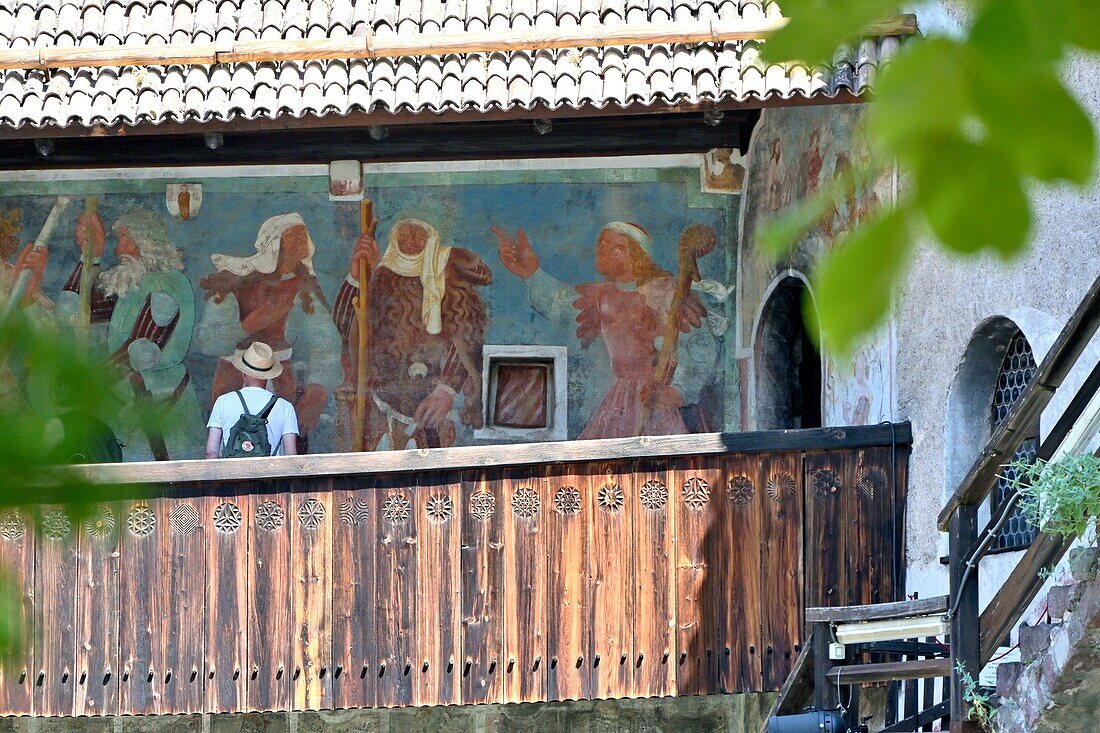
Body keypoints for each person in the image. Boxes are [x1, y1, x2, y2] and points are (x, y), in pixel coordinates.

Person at [494, 221, 722, 439]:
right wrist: (531, 273)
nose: (601, 248)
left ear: (634, 253)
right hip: (620, 397)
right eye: (601, 243)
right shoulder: (602, 296)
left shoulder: (666, 291)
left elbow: (697, 347)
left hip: (655, 395)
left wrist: (675, 393)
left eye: (612, 244)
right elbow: (564, 305)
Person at [17, 206, 203, 460]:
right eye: (118, 241)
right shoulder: (131, 284)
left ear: (148, 242)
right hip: (123, 410)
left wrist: (86, 385)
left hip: (161, 414)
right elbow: (74, 313)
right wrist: (90, 255)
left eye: (127, 240)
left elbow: (138, 353)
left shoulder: (166, 284)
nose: (119, 250)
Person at [333, 218, 491, 450]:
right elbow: (346, 324)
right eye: (404, 235)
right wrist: (357, 277)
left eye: (418, 235)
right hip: (380, 395)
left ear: (430, 239)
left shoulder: (445, 276)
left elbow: (467, 334)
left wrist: (447, 391)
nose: (410, 241)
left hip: (435, 397)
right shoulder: (379, 278)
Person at [195, 213, 341, 450]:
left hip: (281, 382)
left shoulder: (300, 288)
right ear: (274, 243)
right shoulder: (234, 282)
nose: (301, 239)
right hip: (232, 380)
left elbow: (327, 342)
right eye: (293, 234)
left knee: (277, 448)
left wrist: (317, 391)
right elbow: (208, 341)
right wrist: (252, 323)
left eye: (303, 233)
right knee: (231, 446)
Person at [205, 341, 298, 458]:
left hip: (232, 474)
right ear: (268, 376)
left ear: (243, 374)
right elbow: (290, 454)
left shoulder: (223, 402)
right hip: (269, 475)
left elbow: (211, 452)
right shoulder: (285, 407)